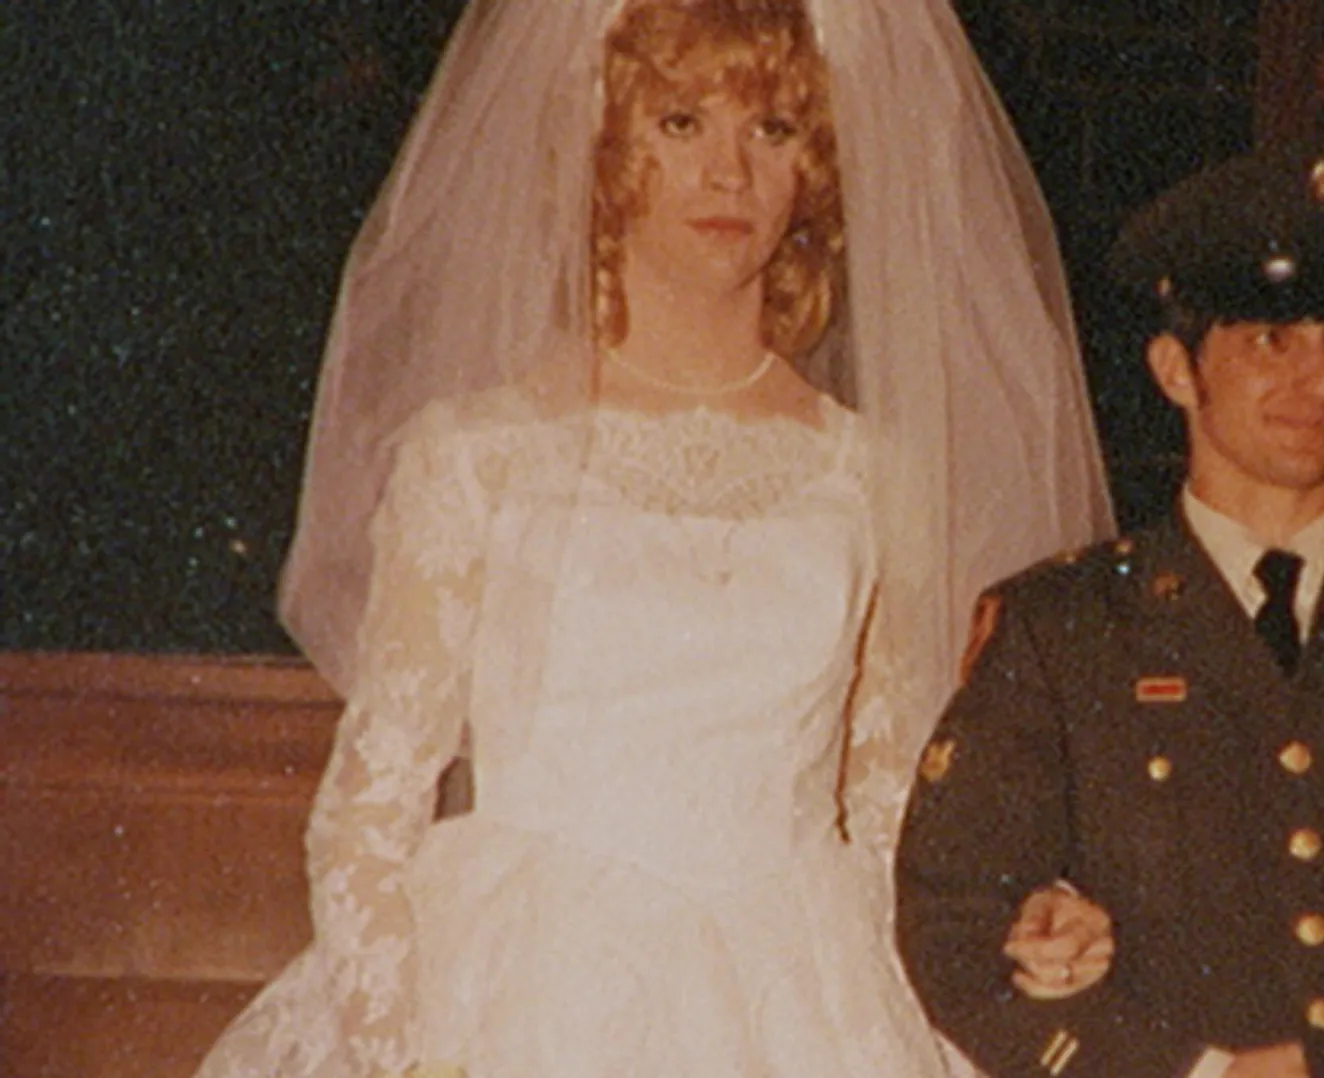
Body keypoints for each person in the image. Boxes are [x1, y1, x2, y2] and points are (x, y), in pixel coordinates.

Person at [193, 1, 1112, 1075]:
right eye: (681, 124)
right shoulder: (482, 454)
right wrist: (404, 1055)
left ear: (813, 166)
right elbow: (368, 810)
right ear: (603, 151)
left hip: (803, 991)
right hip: (531, 989)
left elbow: (891, 807)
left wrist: (1009, 917)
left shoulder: (869, 476)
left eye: (770, 129)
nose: (730, 173)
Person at [893, 132, 1324, 1078]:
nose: (1319, 380)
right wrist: (1189, 1073)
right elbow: (951, 921)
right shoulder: (1061, 630)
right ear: (1176, 370)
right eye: (1272, 339)